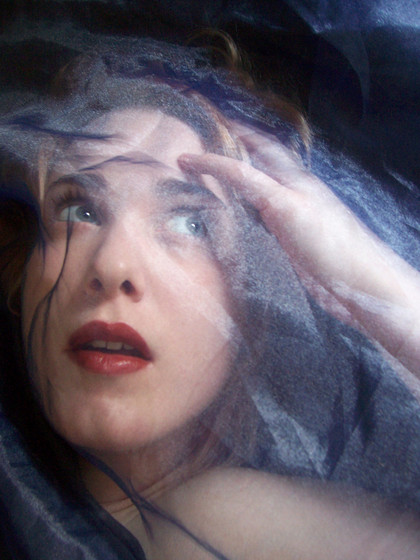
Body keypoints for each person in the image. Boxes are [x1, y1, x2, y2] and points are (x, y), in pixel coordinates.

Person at [1, 38, 420, 559]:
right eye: (79, 211)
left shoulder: (217, 520)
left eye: (190, 223)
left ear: (253, 305)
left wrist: (367, 277)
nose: (112, 266)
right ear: (21, 278)